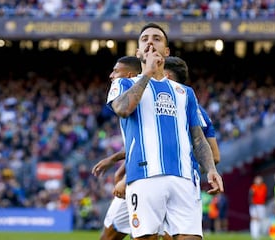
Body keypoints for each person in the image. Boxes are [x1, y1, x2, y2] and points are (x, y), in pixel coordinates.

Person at [106, 22, 223, 240]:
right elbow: (123, 109)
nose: (150, 41)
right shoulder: (122, 84)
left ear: (166, 52)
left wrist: (211, 170)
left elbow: (197, 138)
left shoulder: (185, 92)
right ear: (138, 52)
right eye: (145, 39)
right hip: (144, 177)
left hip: (184, 179)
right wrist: (147, 74)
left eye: (157, 38)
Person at [96, 55, 142, 240]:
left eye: (116, 71)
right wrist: (116, 160)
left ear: (129, 75)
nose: (111, 75)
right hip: (142, 172)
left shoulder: (124, 88)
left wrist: (128, 177)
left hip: (143, 176)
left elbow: (148, 144)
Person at [249, 175, 268, 240]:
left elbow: (266, 196)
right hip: (254, 205)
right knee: (254, 219)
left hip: (261, 205)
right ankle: (254, 234)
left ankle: (259, 234)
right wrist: (252, 205)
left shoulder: (264, 187)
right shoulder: (253, 187)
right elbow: (250, 197)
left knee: (261, 219)